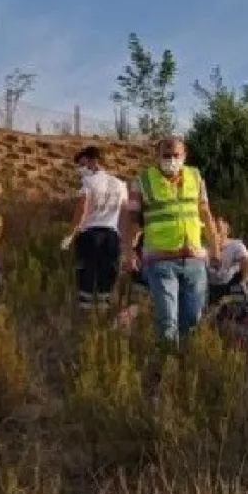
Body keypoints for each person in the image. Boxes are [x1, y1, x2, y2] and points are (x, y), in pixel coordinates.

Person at [120, 136, 220, 344]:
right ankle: (167, 366)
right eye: (166, 155)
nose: (172, 159)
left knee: (193, 318)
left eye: (176, 155)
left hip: (194, 259)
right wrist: (128, 252)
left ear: (184, 156)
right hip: (160, 261)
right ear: (157, 156)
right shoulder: (142, 181)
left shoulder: (196, 177)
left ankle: (184, 362)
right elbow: (132, 220)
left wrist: (215, 246)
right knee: (167, 320)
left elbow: (205, 213)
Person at [60, 146, 129, 310]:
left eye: (83, 164)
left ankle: (85, 314)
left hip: (90, 236)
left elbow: (81, 211)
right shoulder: (120, 184)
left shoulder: (88, 182)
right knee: (107, 275)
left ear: (94, 161)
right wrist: (125, 241)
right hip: (112, 236)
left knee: (87, 274)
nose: (81, 169)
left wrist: (70, 235)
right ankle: (103, 313)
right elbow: (125, 214)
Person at [207, 216, 248, 304]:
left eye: (217, 225)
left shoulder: (236, 246)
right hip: (211, 288)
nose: (214, 228)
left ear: (227, 229)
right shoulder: (204, 248)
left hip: (231, 285)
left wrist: (245, 281)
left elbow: (247, 263)